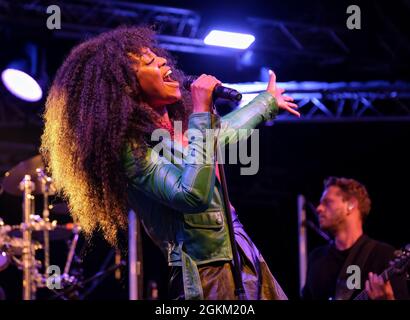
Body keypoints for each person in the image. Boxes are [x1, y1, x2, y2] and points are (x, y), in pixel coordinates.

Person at [41, 26, 300, 300]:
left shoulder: (178, 131)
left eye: (159, 57)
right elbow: (191, 195)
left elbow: (224, 132)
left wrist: (266, 102)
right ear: (128, 87)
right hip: (205, 274)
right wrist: (201, 112)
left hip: (242, 255)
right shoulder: (131, 151)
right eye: (150, 62)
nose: (164, 61)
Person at [302, 177, 409, 300]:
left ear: (351, 204)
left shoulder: (384, 255)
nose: (318, 208)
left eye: (327, 202)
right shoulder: (316, 257)